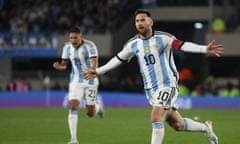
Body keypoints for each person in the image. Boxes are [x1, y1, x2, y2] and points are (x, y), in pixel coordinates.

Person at [84, 9, 224, 144]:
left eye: (143, 20)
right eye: (137, 21)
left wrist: (203, 49)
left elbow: (182, 45)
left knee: (155, 116)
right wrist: (99, 71)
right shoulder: (133, 44)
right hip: (151, 90)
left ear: (151, 22)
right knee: (178, 125)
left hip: (167, 85)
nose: (140, 23)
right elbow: (118, 59)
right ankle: (205, 128)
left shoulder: (163, 38)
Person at [53, 26, 104, 144]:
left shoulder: (90, 46)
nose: (73, 40)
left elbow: (94, 63)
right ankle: (73, 139)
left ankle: (98, 108)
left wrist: (91, 70)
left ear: (81, 37)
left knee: (90, 113)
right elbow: (64, 64)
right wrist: (59, 66)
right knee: (73, 106)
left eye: (75, 38)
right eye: (71, 38)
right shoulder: (67, 47)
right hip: (76, 80)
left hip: (91, 80)